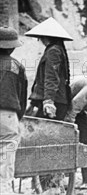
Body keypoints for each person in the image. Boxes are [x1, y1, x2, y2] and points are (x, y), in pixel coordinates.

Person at [25, 17, 73, 121]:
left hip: (53, 101)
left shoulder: (53, 51)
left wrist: (49, 101)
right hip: (54, 99)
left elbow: (51, 77)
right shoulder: (57, 50)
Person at [0, 27, 27, 194]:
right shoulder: (17, 67)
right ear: (12, 47)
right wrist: (19, 117)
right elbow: (22, 98)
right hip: (8, 116)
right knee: (6, 156)